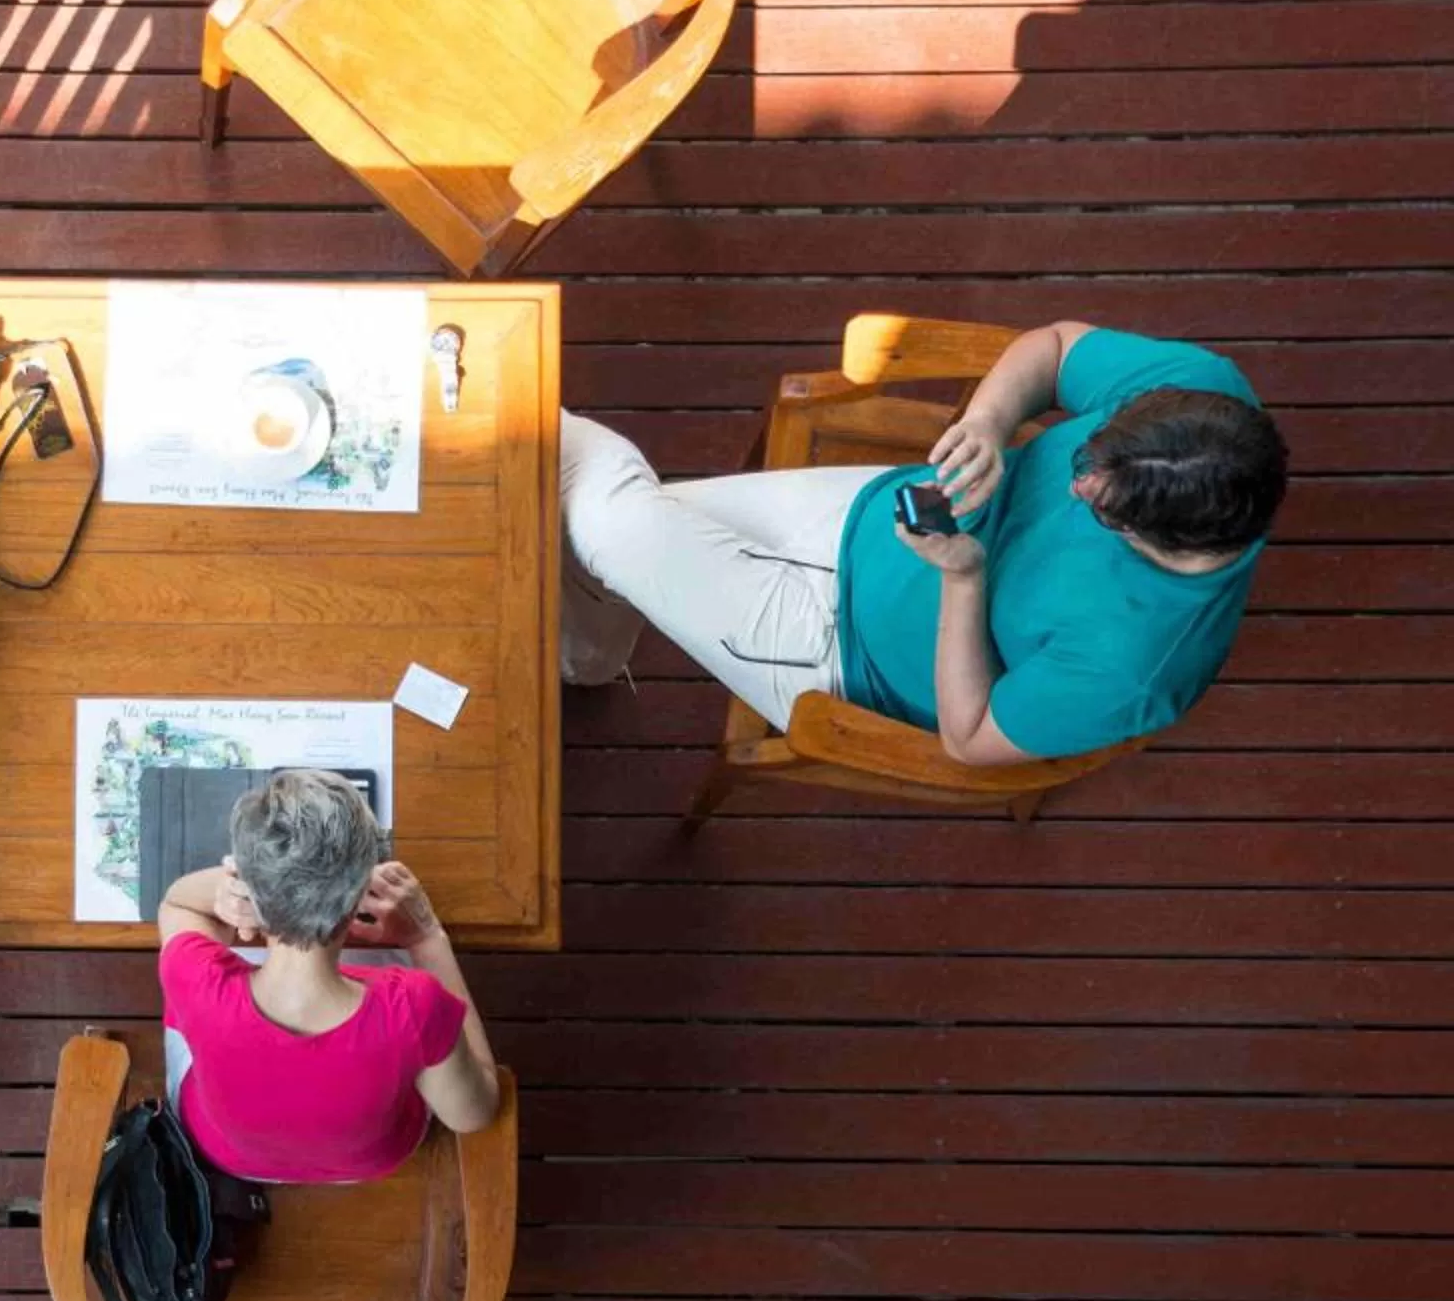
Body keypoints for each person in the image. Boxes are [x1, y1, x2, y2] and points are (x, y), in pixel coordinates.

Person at [559, 324, 1290, 763]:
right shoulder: (1199, 397)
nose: (1076, 486)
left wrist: (964, 579)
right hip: (864, 512)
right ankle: (588, 657)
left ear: (1162, 538)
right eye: (1088, 456)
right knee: (600, 528)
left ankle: (517, 412)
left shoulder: (1135, 666)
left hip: (839, 650)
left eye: (1102, 508)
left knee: (604, 519)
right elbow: (1054, 346)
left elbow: (969, 738)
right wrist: (989, 423)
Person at [151, 768, 504, 1187]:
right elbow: (474, 1114)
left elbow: (177, 902)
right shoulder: (415, 1004)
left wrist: (239, 885)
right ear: (358, 897)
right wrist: (427, 937)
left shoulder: (195, 978)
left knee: (188, 995)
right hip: (367, 1160)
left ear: (247, 884)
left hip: (226, 1151)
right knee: (398, 969)